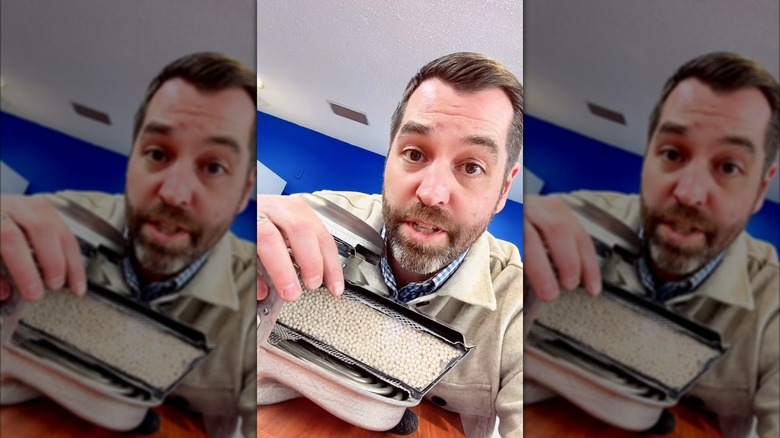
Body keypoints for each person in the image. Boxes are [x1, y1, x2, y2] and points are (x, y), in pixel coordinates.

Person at [257, 52, 523, 437]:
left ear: (503, 190)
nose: (432, 193)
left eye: (471, 167)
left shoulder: (524, 303)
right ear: (389, 156)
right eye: (414, 154)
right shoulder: (315, 218)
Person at [0, 52, 258, 438]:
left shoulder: (263, 289)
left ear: (244, 193)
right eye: (157, 153)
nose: (174, 193)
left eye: (214, 167)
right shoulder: (55, 223)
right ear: (131, 158)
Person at [524, 51, 779, 437]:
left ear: (761, 188)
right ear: (648, 158)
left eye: (729, 167)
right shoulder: (568, 222)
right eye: (673, 153)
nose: (690, 193)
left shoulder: (773, 301)